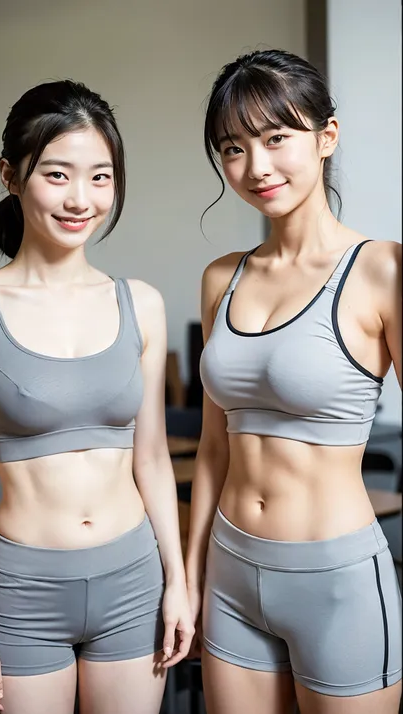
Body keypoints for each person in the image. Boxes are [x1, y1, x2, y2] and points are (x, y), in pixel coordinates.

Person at [0, 79, 193, 714]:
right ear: (11, 177)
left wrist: (178, 581)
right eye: (57, 174)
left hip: (134, 580)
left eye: (101, 177)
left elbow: (152, 457)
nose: (82, 199)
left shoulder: (142, 304)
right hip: (21, 592)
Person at [186, 49, 402, 714]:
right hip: (229, 574)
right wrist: (192, 578)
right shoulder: (223, 277)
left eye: (277, 138)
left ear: (325, 137)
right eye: (233, 147)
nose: (256, 167)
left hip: (337, 583)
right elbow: (214, 446)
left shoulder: (382, 271)